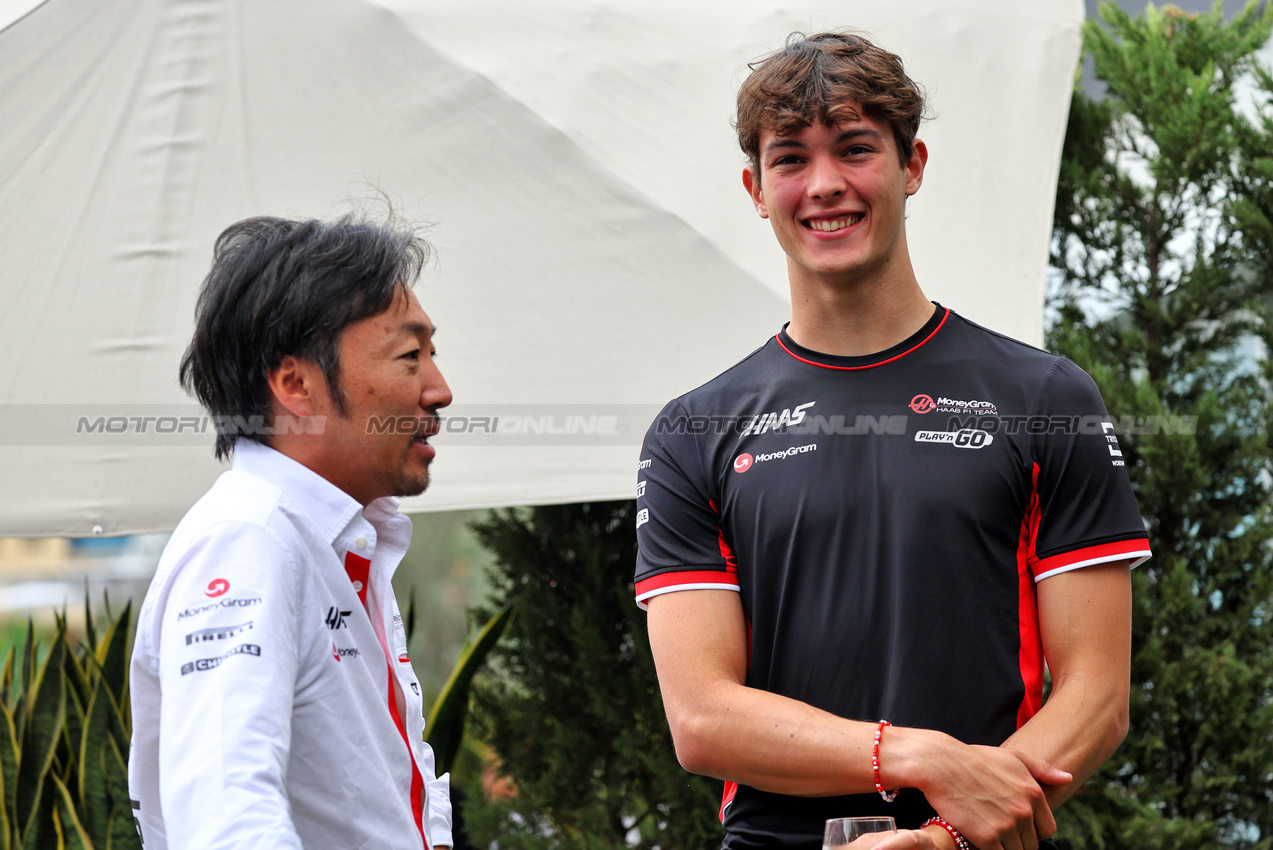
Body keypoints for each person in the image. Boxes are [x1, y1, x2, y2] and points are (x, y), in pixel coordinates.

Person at [634, 32, 1151, 850]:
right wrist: (915, 757)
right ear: (755, 188)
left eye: (854, 149)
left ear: (911, 166)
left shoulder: (1044, 399)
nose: (825, 185)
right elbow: (701, 718)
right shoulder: (691, 431)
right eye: (790, 160)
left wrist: (947, 836)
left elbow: (1096, 696)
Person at [128, 212, 455, 849]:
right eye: (410, 356)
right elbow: (226, 821)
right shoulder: (249, 542)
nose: (439, 390)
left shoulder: (336, 537)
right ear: (295, 384)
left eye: (432, 355)